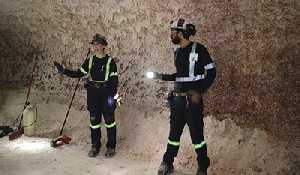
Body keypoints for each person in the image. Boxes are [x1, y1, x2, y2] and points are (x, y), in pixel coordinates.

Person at [148, 18, 216, 175]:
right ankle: (167, 162)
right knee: (173, 134)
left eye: (173, 32)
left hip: (192, 102)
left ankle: (202, 167)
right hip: (177, 100)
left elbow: (212, 72)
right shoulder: (177, 52)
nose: (171, 35)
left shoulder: (199, 49)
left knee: (197, 136)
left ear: (181, 33)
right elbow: (180, 76)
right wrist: (161, 76)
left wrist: (199, 91)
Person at [54, 33, 118, 158]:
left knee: (110, 122)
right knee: (94, 122)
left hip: (106, 94)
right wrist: (64, 70)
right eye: (94, 44)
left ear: (104, 46)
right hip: (93, 95)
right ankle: (95, 146)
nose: (96, 46)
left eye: (98, 44)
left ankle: (111, 146)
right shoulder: (90, 61)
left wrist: (112, 98)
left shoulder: (110, 62)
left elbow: (114, 81)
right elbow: (79, 73)